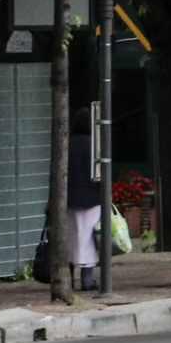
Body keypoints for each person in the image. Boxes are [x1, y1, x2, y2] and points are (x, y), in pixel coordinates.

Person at [67, 108, 101, 291]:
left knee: (71, 237)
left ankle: (69, 278)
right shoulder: (95, 145)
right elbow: (100, 174)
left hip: (69, 198)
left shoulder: (66, 144)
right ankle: (87, 279)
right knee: (89, 238)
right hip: (91, 198)